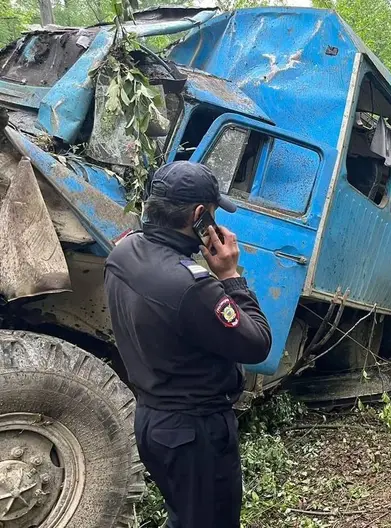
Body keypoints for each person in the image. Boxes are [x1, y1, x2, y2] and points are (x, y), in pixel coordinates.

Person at [104, 161, 272, 528]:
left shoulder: (123, 253)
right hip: (195, 434)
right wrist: (230, 275)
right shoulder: (194, 287)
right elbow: (258, 344)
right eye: (212, 214)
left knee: (186, 516)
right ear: (199, 216)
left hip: (152, 421)